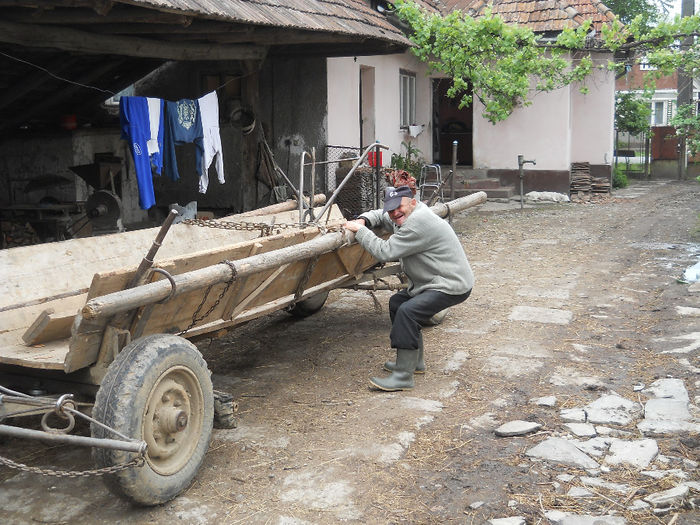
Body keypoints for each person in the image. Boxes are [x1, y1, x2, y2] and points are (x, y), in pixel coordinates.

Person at [343, 185, 474, 391]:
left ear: (413, 202)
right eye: (391, 209)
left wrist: (360, 231)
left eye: (399, 207)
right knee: (398, 302)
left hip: (450, 284)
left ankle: (403, 377)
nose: (395, 213)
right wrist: (364, 219)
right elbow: (381, 215)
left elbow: (384, 251)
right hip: (431, 282)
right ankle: (414, 364)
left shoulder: (418, 223)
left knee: (408, 311)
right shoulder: (406, 214)